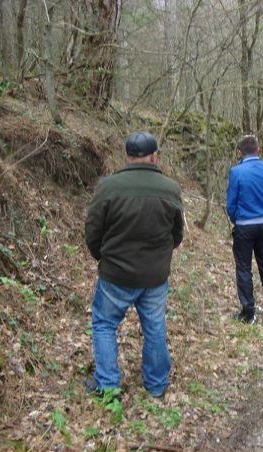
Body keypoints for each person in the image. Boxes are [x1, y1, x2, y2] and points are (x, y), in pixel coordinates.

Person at [84, 131, 184, 398]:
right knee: (155, 327)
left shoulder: (108, 187)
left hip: (115, 275)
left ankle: (108, 386)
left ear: (128, 156)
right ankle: (157, 386)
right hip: (154, 277)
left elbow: (93, 231)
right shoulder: (170, 189)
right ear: (154, 156)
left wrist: (102, 257)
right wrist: (159, 257)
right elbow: (176, 235)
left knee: (104, 324)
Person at [226, 134, 263, 324]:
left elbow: (231, 205)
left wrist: (238, 218)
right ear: (258, 150)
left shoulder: (236, 172)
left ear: (240, 152)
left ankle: (249, 313)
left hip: (244, 226)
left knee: (244, 268)